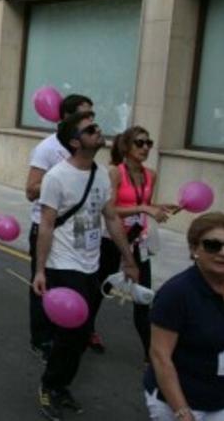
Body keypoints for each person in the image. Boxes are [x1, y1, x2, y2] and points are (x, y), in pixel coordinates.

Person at [31, 111, 139, 421]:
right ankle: (49, 385)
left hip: (92, 265)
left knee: (80, 335)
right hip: (63, 265)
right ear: (76, 142)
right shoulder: (56, 177)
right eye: (91, 129)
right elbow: (47, 225)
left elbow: (111, 218)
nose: (98, 130)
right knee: (71, 333)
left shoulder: (102, 174)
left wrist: (128, 259)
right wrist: (40, 270)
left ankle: (61, 384)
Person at [90, 126, 177, 357]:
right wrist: (143, 207)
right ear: (126, 147)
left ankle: (152, 357)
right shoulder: (115, 172)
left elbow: (145, 205)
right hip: (114, 239)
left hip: (139, 241)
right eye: (139, 143)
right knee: (102, 288)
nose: (146, 147)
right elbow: (110, 210)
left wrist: (160, 207)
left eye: (148, 143)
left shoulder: (151, 175)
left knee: (143, 296)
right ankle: (86, 330)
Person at [25, 94, 94, 358]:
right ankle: (42, 338)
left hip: (78, 231)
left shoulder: (88, 151)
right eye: (83, 115)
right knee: (43, 283)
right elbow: (30, 191)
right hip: (47, 227)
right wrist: (60, 177)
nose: (89, 121)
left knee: (76, 283)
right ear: (66, 118)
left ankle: (72, 330)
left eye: (92, 116)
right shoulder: (47, 148)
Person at [144, 212, 224, 421]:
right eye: (212, 245)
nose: (223, 253)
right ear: (194, 249)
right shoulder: (176, 293)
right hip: (182, 402)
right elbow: (161, 357)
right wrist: (182, 412)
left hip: (221, 399)